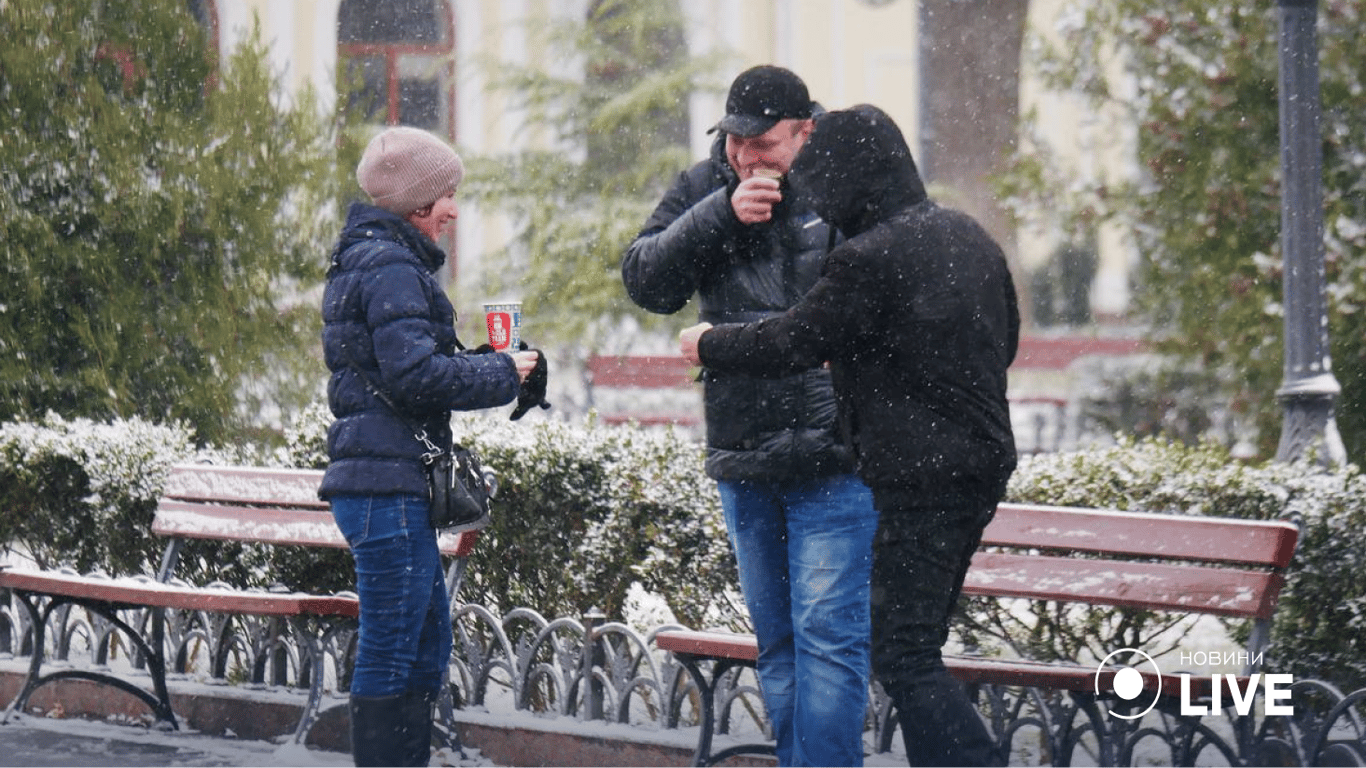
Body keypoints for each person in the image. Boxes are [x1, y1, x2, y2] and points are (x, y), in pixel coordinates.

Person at [679, 104, 1019, 768]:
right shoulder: (967, 234)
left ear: (853, 178)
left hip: (920, 477)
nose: (818, 197)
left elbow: (797, 339)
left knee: (904, 653)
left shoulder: (869, 255)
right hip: (979, 464)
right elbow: (1000, 343)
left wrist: (709, 344)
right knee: (912, 643)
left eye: (825, 179)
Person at [622, 66, 879, 768]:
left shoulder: (849, 182)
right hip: (744, 449)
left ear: (807, 131)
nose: (745, 157)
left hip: (838, 454)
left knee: (829, 641)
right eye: (735, 141)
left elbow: (895, 294)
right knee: (782, 645)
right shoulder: (706, 185)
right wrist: (718, 215)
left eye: (763, 144)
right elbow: (645, 279)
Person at [319, 126, 540, 768]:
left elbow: (407, 365)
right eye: (446, 193)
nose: (453, 208)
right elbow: (414, 377)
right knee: (396, 645)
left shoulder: (383, 258)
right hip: (383, 487)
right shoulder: (388, 263)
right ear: (416, 201)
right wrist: (502, 374)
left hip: (388, 480)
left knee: (424, 640)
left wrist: (495, 364)